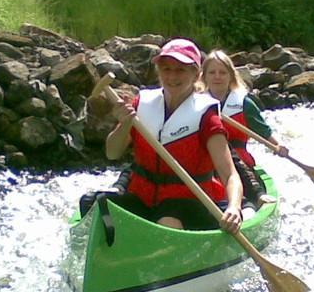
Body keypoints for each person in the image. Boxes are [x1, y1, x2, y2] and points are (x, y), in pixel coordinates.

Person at [104, 38, 243, 232]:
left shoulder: (206, 116)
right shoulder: (140, 104)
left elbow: (230, 175)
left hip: (189, 202)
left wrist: (234, 208)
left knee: (167, 216)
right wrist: (125, 124)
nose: (172, 76)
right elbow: (112, 153)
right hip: (142, 196)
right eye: (166, 69)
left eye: (180, 70)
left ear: (196, 74)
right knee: (99, 205)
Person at [200, 50, 288, 208]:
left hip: (240, 163)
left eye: (222, 72)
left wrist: (278, 145)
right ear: (204, 76)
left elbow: (264, 132)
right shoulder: (196, 104)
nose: (217, 76)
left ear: (231, 76)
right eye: (212, 72)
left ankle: (252, 199)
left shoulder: (244, 103)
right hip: (205, 162)